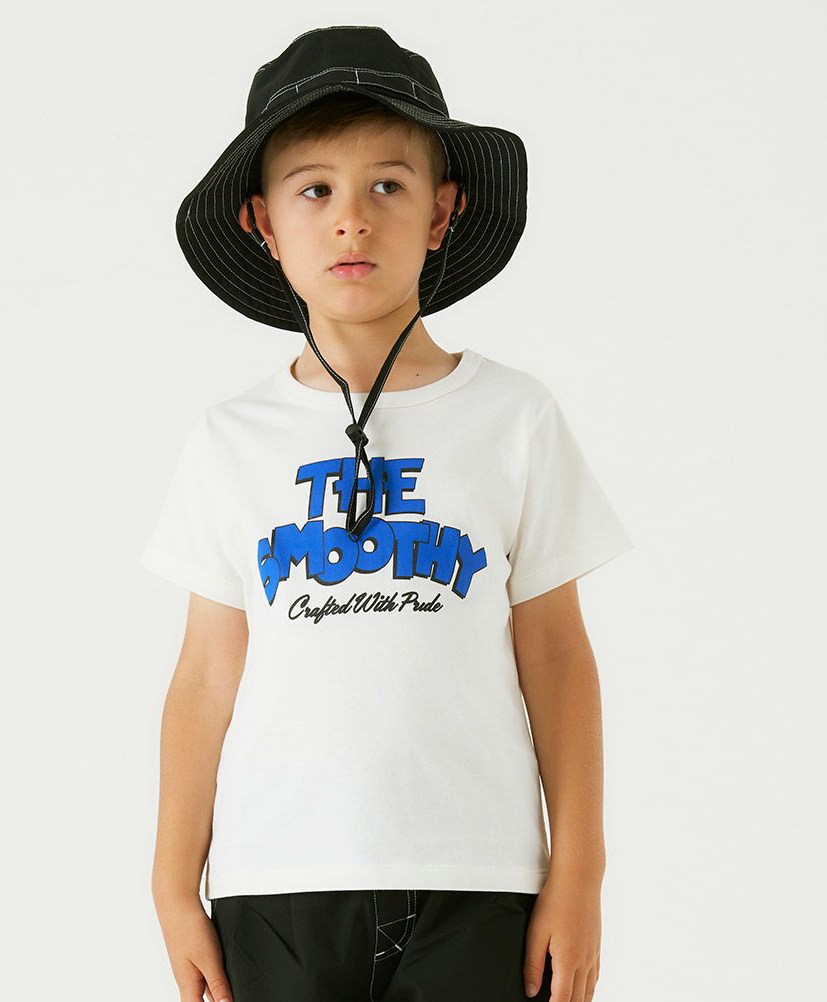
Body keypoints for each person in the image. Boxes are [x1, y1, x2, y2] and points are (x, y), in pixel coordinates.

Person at [140, 24, 634, 1002]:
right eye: (315, 190)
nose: (352, 221)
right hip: (276, 881)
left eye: (388, 186)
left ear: (442, 211)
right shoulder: (231, 439)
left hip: (477, 881)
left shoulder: (514, 418)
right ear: (263, 223)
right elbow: (204, 676)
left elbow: (556, 656)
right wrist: (170, 885)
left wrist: (579, 874)